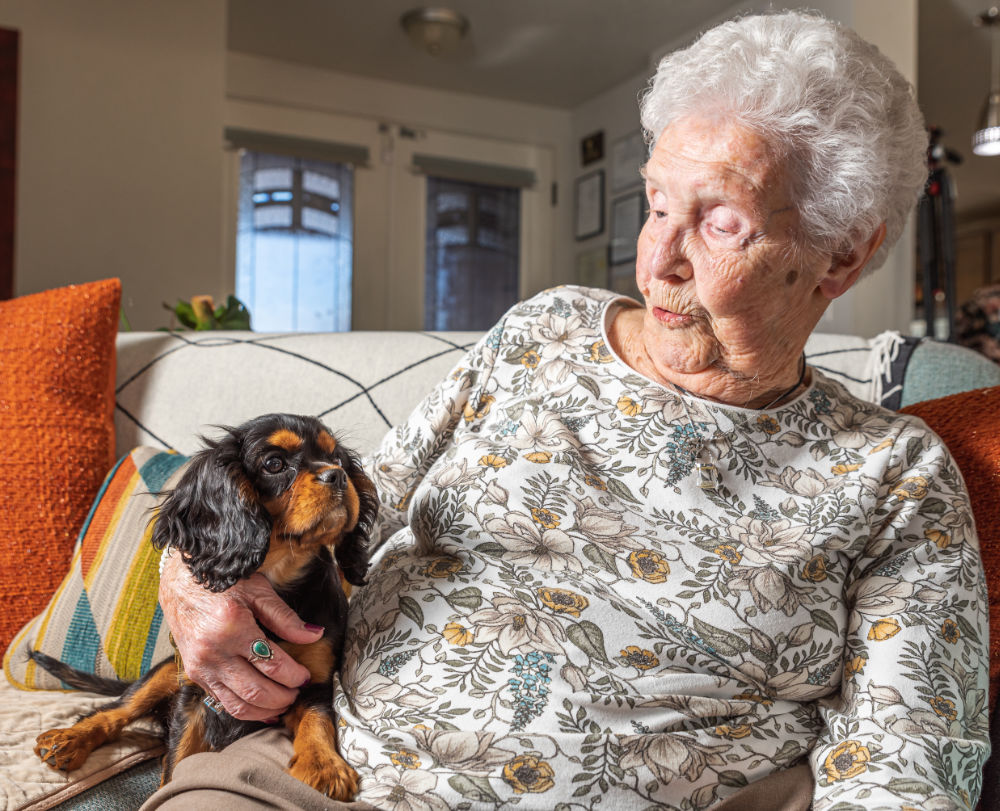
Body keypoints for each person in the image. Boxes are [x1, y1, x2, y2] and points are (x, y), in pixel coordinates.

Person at [149, 10, 989, 810]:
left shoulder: (893, 475)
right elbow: (362, 504)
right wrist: (187, 582)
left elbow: (906, 758)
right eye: (657, 203)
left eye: (720, 222)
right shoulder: (543, 330)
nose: (657, 258)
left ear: (840, 252)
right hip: (320, 767)